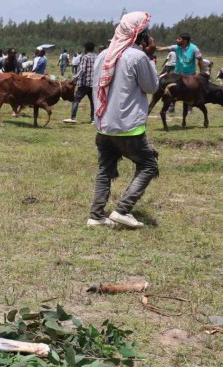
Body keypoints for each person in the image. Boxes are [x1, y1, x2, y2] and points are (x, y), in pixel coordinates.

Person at [88, 11, 159, 229]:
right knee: (148, 165)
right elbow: (151, 86)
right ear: (140, 35)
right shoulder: (137, 57)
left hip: (104, 125)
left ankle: (96, 216)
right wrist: (150, 57)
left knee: (105, 170)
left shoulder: (103, 55)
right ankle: (122, 210)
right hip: (128, 126)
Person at [64, 42, 96, 124]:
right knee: (93, 102)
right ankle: (93, 119)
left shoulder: (85, 57)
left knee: (76, 100)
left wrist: (75, 78)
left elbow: (82, 69)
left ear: (86, 48)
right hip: (94, 84)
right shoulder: (96, 57)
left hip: (84, 83)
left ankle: (73, 117)